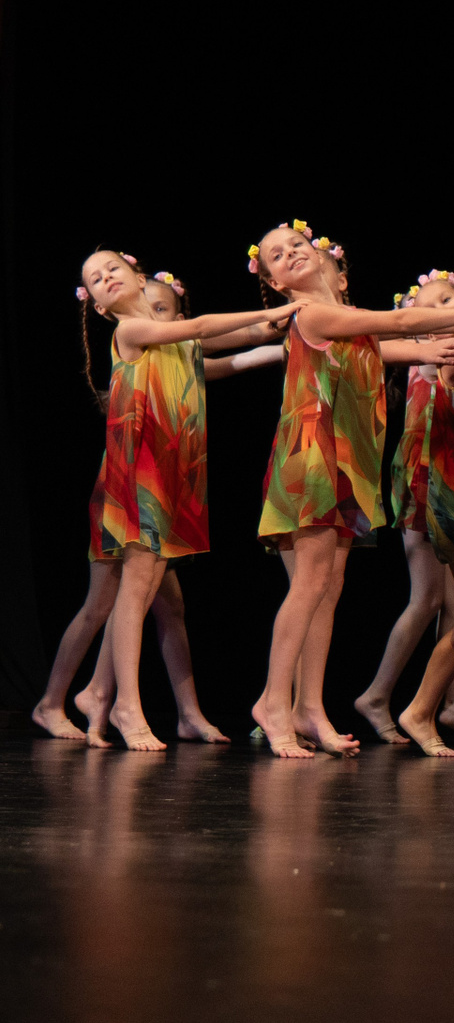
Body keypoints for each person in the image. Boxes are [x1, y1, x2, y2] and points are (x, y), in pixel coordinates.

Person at [248, 221, 454, 758]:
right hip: (311, 459)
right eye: (277, 255)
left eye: (297, 244)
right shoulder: (312, 313)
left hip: (346, 461)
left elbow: (403, 347)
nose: (291, 253)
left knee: (329, 587)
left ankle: (309, 708)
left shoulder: (350, 326)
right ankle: (273, 703)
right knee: (309, 584)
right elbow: (399, 321)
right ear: (275, 282)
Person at [33, 267, 287, 745]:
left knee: (167, 604)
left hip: (168, 481)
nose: (158, 315)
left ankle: (169, 710)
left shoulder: (180, 350)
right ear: (100, 307)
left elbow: (244, 348)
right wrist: (280, 310)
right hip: (134, 482)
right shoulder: (131, 331)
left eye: (163, 308)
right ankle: (78, 702)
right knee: (106, 601)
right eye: (97, 277)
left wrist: (285, 337)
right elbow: (203, 327)